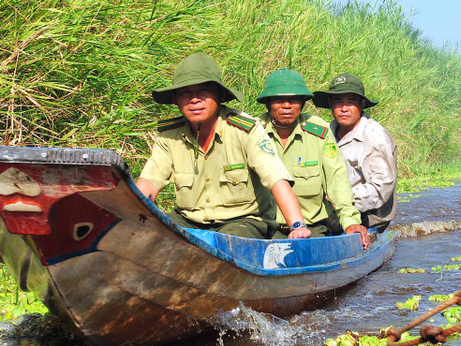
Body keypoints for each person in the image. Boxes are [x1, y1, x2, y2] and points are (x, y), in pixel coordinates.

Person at [136, 53, 312, 240]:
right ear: (175, 99)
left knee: (227, 242)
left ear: (219, 96)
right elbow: (149, 183)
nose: (194, 100)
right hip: (188, 220)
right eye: (185, 93)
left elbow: (275, 178)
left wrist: (297, 225)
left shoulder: (245, 130)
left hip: (242, 221)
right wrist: (132, 218)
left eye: (204, 91)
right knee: (150, 237)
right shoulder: (170, 136)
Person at [255, 69, 370, 249]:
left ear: (302, 103)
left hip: (311, 227)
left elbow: (337, 179)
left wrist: (350, 221)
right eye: (279, 100)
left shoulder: (318, 131)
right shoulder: (254, 133)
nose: (287, 105)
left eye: (294, 100)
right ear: (268, 104)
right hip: (267, 227)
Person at [313, 73, 397, 232]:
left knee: (317, 224)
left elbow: (381, 188)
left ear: (361, 104)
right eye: (338, 102)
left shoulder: (376, 137)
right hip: (333, 205)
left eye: (350, 103)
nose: (344, 109)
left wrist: (339, 201)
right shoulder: (326, 132)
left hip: (367, 213)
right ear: (330, 104)